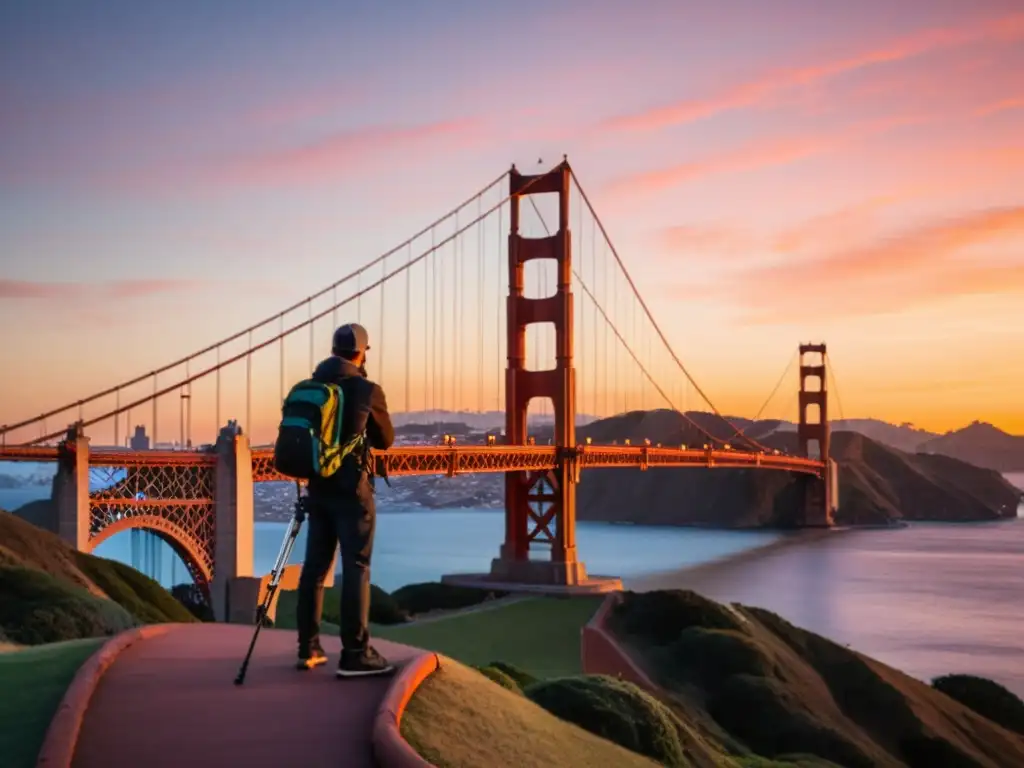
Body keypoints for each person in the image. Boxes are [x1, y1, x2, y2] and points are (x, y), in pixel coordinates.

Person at [295, 322, 395, 677]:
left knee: (315, 569)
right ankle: (355, 653)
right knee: (356, 567)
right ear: (361, 352)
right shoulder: (366, 389)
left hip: (317, 489)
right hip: (352, 492)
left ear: (333, 350)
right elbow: (385, 440)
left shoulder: (312, 387)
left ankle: (308, 648)